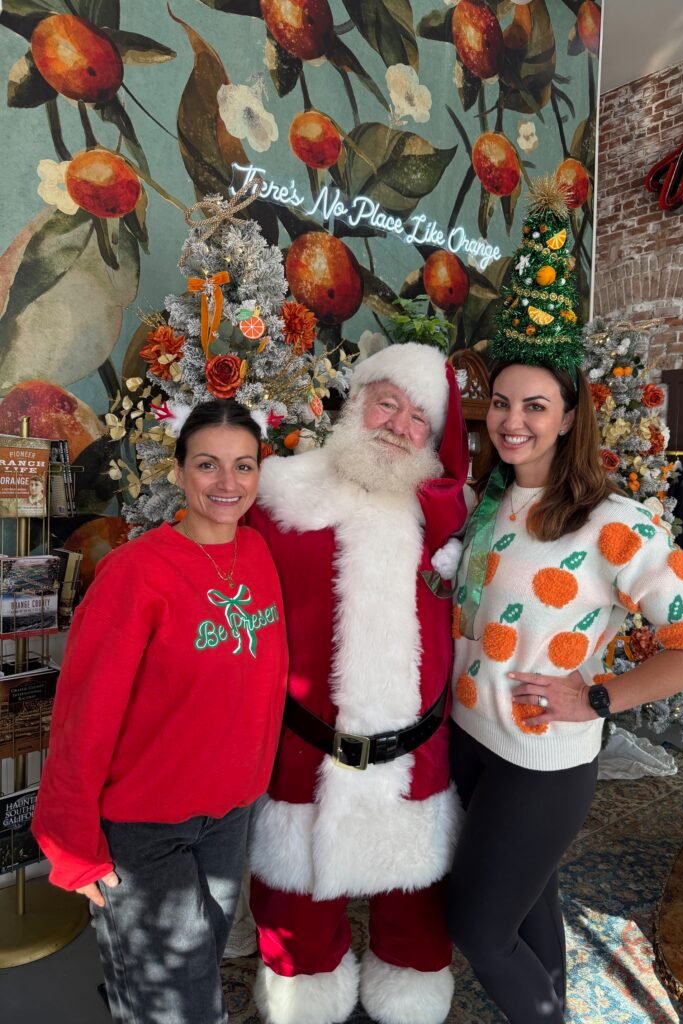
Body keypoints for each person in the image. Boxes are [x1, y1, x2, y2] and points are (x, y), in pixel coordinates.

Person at [447, 343, 683, 1023]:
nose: (511, 419)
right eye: (500, 402)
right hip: (470, 742)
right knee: (532, 902)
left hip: (540, 765)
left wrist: (601, 697)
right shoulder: (486, 506)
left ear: (569, 417)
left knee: (479, 930)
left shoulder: (613, 523)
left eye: (535, 406)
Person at [33, 399, 288, 1024]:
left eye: (243, 466)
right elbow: (81, 717)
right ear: (177, 471)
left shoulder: (257, 555)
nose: (227, 484)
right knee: (172, 1007)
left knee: (200, 973)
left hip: (229, 816)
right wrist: (70, 842)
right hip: (146, 829)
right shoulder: (134, 575)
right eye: (207, 465)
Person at [245, 342, 469, 1024]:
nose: (399, 425)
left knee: (417, 917)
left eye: (417, 419)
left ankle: (407, 992)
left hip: (416, 755)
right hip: (305, 752)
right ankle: (306, 993)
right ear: (358, 400)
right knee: (298, 917)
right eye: (388, 403)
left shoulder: (452, 516)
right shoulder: (280, 493)